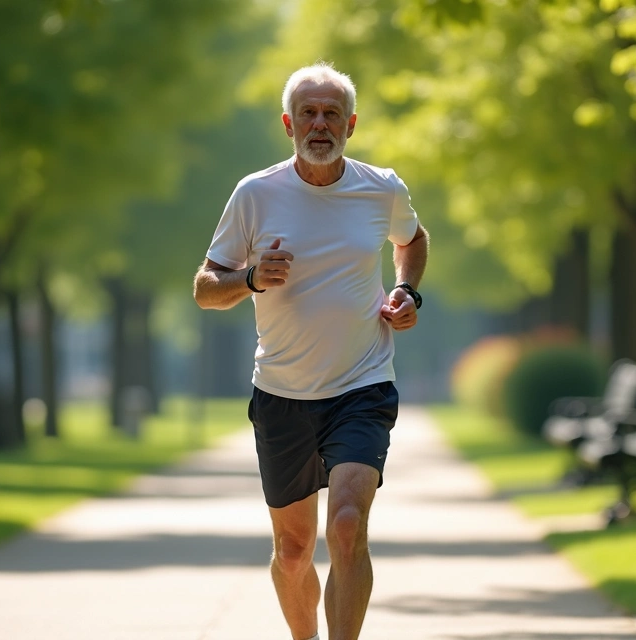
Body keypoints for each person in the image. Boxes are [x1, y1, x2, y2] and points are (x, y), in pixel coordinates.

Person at [192, 62, 429, 640]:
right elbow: (205, 288)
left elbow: (413, 239)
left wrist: (405, 290)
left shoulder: (382, 188)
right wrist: (249, 278)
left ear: (351, 123)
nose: (319, 124)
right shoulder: (255, 194)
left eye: (330, 114)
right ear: (287, 124)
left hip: (362, 385)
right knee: (294, 551)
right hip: (282, 393)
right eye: (307, 113)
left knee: (347, 525)